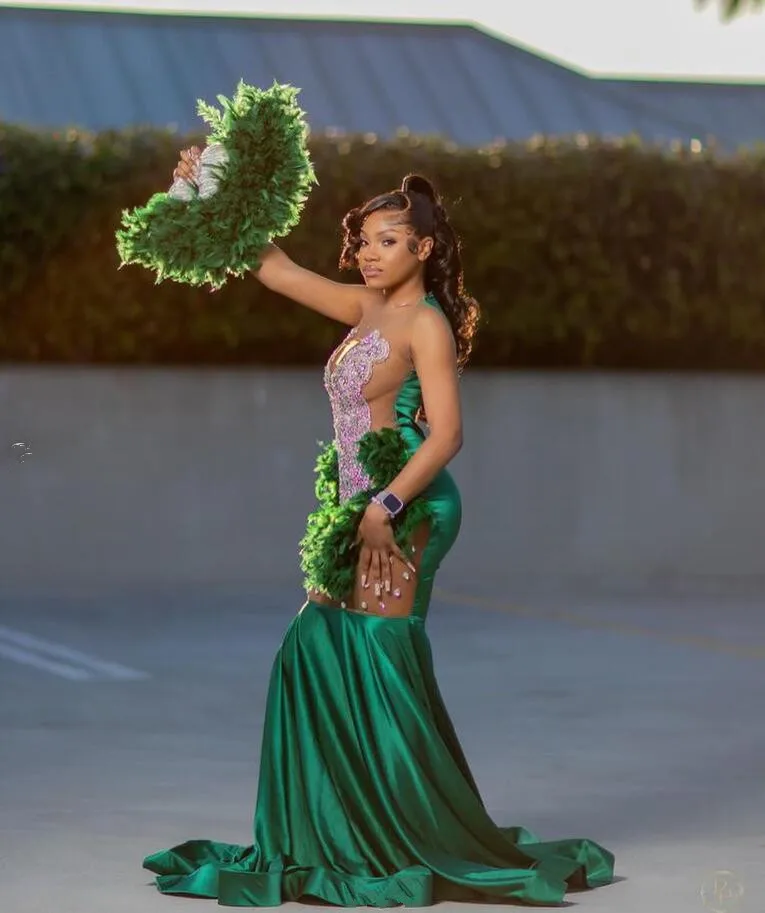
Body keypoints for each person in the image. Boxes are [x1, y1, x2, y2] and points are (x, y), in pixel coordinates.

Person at [142, 148, 615, 907]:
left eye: (386, 241)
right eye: (363, 240)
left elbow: (447, 434)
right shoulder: (366, 308)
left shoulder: (425, 324)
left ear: (422, 248)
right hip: (357, 506)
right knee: (314, 648)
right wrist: (211, 185)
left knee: (380, 661)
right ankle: (338, 832)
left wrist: (383, 506)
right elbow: (275, 270)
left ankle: (406, 837)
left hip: (407, 507)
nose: (368, 252)